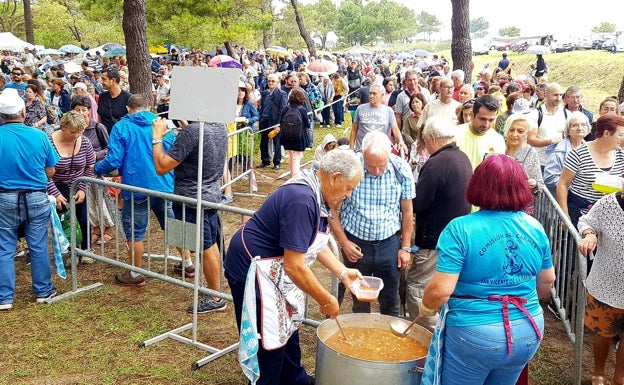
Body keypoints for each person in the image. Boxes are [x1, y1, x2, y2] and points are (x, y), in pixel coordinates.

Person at [224, 149, 365, 385]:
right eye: (349, 188)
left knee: (289, 327)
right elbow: (295, 267)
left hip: (276, 272)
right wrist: (326, 299)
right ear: (335, 177)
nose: (349, 195)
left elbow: (313, 244)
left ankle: (295, 379)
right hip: (254, 271)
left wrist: (342, 272)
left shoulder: (318, 193)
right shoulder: (302, 200)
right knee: (268, 341)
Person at [421, 154, 556, 385]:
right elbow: (547, 281)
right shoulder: (535, 227)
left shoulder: (460, 228)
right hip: (528, 329)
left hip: (473, 334)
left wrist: (426, 306)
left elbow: (439, 292)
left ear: (477, 184)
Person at [94, 95, 183, 286]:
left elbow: (113, 160)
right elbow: (173, 153)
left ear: (128, 109)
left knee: (135, 231)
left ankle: (135, 273)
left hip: (136, 187)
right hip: (163, 184)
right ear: (149, 107)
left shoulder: (122, 127)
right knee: (172, 225)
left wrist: (95, 168)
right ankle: (188, 263)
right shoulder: (161, 124)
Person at [330, 132, 415, 316]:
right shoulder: (350, 169)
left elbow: (407, 211)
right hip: (357, 245)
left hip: (389, 243)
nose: (376, 172)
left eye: (381, 166)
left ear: (389, 154)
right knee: (360, 299)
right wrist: (344, 243)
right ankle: (363, 337)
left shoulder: (401, 169)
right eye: (371, 166)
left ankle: (387, 340)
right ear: (362, 155)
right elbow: (331, 209)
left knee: (390, 300)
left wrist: (406, 248)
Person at [152, 118, 228, 313]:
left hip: (193, 198)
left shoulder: (192, 132)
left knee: (206, 246)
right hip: (209, 193)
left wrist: (156, 137)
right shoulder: (218, 125)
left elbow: (161, 167)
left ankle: (215, 297)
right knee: (210, 244)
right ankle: (215, 290)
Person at [405, 116, 472, 329]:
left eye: (424, 139)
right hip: (455, 237)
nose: (424, 144)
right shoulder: (462, 157)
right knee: (444, 287)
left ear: (432, 137)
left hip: (434, 240)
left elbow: (419, 202)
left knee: (418, 287)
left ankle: (424, 334)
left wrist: (403, 200)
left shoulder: (436, 163)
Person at [0, 89, 60, 310]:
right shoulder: (39, 136)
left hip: (4, 198)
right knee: (38, 245)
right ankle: (43, 290)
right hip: (35, 196)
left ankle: (4, 297)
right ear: (23, 112)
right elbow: (51, 169)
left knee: (5, 247)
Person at [577, 186, 624, 385]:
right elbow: (586, 220)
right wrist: (590, 234)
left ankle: (620, 376)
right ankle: (599, 373)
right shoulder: (608, 204)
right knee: (604, 332)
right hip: (607, 284)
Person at [556, 114, 624, 227]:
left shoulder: (621, 155)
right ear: (606, 133)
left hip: (609, 218)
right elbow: (562, 184)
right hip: (579, 215)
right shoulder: (578, 154)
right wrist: (565, 215)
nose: (623, 139)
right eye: (621, 135)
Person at [71, 95, 115, 245]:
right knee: (88, 202)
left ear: (89, 111)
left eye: (84, 110)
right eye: (77, 110)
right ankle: (96, 228)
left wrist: (96, 155)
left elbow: (109, 148)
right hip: (79, 171)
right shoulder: (73, 129)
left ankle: (108, 228)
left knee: (100, 200)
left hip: (96, 169)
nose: (81, 113)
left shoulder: (98, 127)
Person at [350, 84, 407, 154]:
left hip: (380, 152)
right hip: (361, 151)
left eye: (374, 94)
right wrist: (351, 149)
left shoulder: (388, 111)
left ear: (382, 95)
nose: (371, 96)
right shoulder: (360, 108)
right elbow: (354, 130)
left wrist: (400, 141)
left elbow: (395, 129)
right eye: (370, 93)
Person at [454, 94, 506, 170]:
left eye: (491, 120)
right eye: (482, 119)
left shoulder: (498, 140)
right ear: (472, 115)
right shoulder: (455, 135)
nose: (486, 124)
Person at [543, 112, 589, 195]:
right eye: (575, 125)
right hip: (563, 198)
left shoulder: (589, 149)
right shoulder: (559, 150)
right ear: (568, 130)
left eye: (583, 125)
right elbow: (549, 178)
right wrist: (574, 187)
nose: (579, 128)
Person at [503, 113, 543, 195]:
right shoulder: (498, 147)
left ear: (527, 134)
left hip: (520, 201)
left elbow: (540, 185)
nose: (514, 134)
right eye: (511, 130)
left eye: (520, 131)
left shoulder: (531, 153)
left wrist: (534, 184)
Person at [258, 73, 288, 170]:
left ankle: (277, 162)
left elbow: (283, 110)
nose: (270, 83)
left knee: (277, 143)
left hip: (275, 122)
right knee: (263, 142)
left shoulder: (282, 94)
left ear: (277, 82)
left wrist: (279, 124)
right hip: (264, 120)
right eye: (269, 81)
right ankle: (265, 160)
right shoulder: (265, 93)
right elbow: (262, 107)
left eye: (273, 81)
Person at [279, 88, 310, 176]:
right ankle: (295, 177)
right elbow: (307, 125)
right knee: (296, 158)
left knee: (291, 156)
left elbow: (281, 121)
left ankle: (293, 174)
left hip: (287, 137)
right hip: (299, 137)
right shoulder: (302, 110)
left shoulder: (285, 109)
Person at [97, 67, 132, 133]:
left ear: (113, 80)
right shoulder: (102, 97)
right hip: (105, 138)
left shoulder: (128, 98)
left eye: (104, 79)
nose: (101, 82)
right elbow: (100, 118)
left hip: (121, 137)